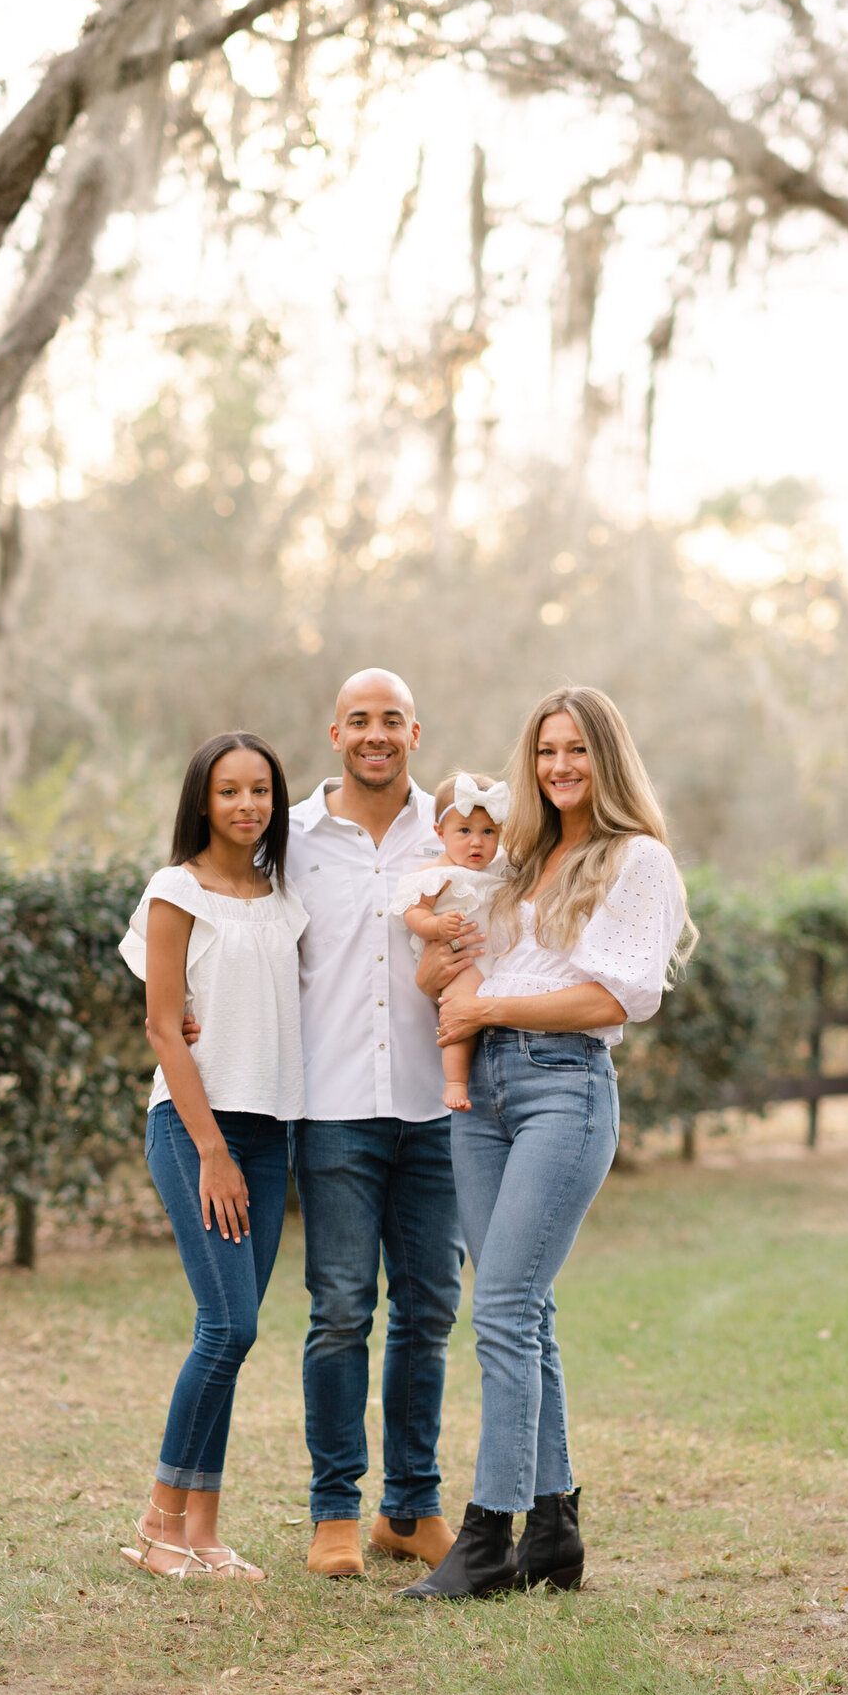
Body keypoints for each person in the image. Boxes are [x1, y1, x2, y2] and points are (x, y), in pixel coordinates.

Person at [400, 686, 695, 1601]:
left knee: (502, 1312)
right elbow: (453, 958)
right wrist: (445, 972)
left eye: (576, 750)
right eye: (544, 751)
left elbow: (614, 999)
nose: (559, 766)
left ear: (607, 757)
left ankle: (487, 1538)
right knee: (524, 1311)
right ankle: (555, 1530)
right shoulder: (523, 857)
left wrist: (489, 1003)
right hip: (479, 1090)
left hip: (562, 1088)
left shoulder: (635, 861)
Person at [284, 668, 469, 1579]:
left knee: (429, 1311)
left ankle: (410, 1507)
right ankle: (332, 1512)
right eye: (360, 720)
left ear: (415, 732)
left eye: (391, 720)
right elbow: (234, 926)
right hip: (335, 1111)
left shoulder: (458, 830)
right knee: (341, 1311)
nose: (376, 734)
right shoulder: (294, 837)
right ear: (335, 733)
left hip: (439, 1111)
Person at [118, 732, 307, 1582]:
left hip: (273, 1131)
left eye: (260, 791)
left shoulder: (282, 896)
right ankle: (158, 1526)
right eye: (230, 791)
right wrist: (210, 1151)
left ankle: (203, 1534)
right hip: (197, 1130)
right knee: (229, 1326)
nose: (247, 806)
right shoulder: (175, 891)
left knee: (229, 1338)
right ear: (203, 800)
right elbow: (165, 1024)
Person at [390, 771, 509, 1110]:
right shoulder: (436, 874)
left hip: (494, 957)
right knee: (459, 1011)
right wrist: (437, 926)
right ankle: (455, 1081)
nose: (477, 842)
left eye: (489, 832)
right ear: (440, 833)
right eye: (464, 831)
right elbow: (414, 913)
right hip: (460, 961)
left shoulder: (498, 867)